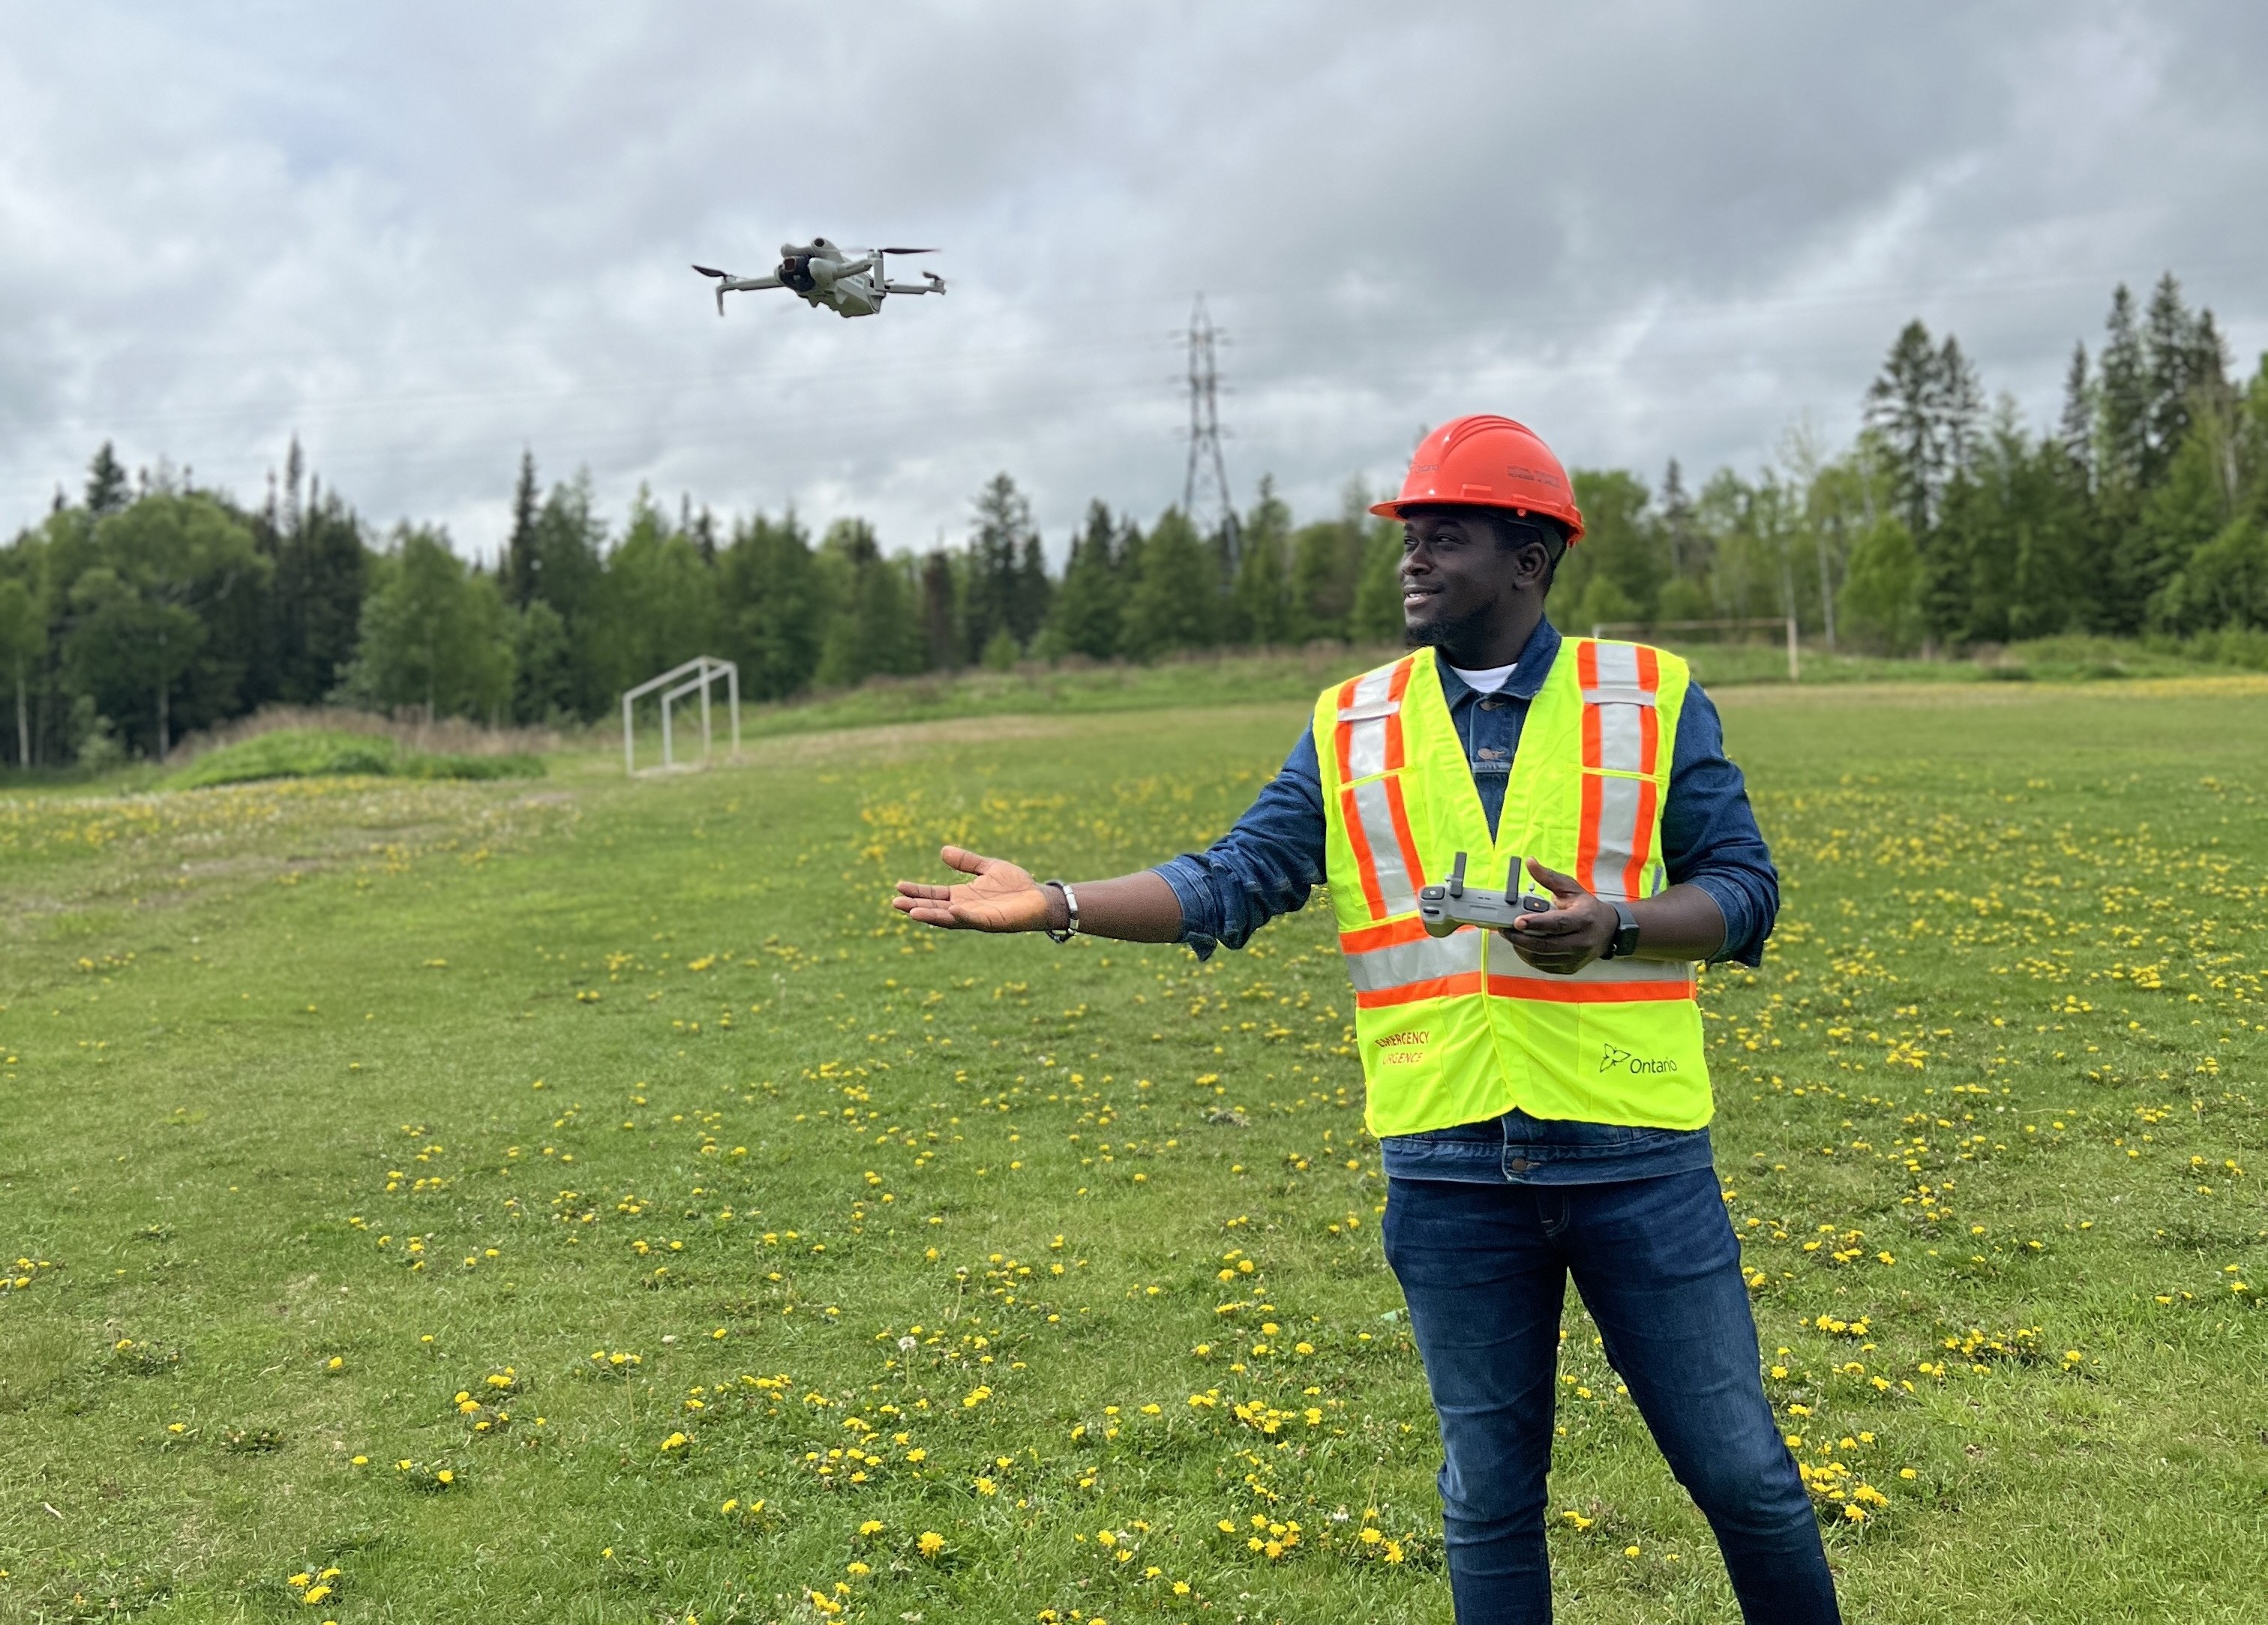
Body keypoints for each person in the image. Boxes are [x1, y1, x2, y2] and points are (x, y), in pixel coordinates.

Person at [890, 415, 1840, 1625]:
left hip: (1637, 1158)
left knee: (1746, 1480)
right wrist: (1061, 902)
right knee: (1488, 1499)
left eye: (1446, 536)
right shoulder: (1351, 721)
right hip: (1446, 1167)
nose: (1413, 558)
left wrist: (1620, 926)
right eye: (1409, 536)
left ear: (1531, 558)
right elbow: (1234, 878)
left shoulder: (1652, 696)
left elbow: (1747, 894)